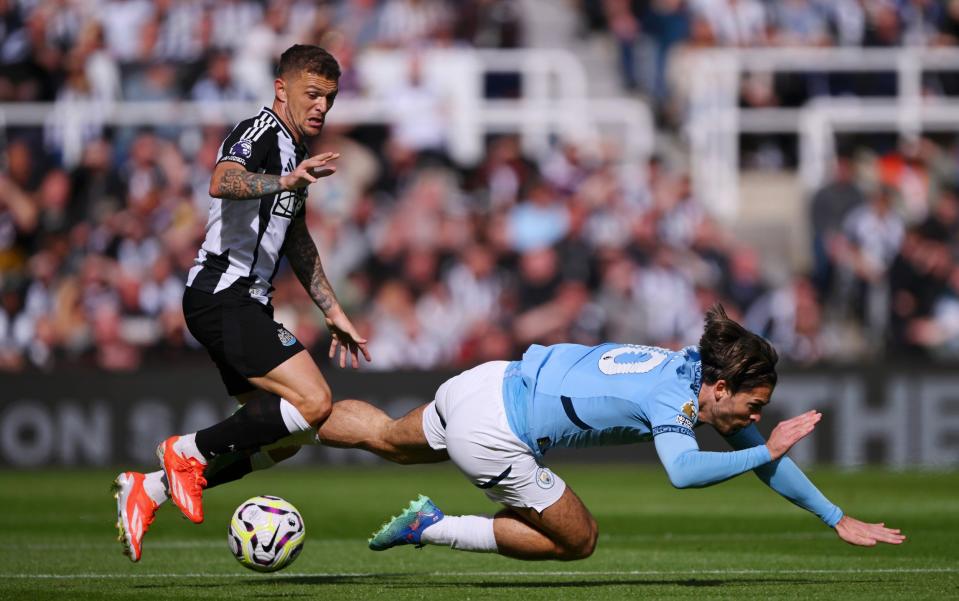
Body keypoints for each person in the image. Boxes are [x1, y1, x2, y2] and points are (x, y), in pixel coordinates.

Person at [316, 304, 905, 559]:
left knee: (390, 438)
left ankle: (288, 418)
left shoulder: (690, 367)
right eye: (754, 406)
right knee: (579, 540)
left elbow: (763, 455)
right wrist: (764, 451)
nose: (758, 420)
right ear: (721, 389)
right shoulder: (672, 397)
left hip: (487, 380)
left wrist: (832, 515)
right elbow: (682, 471)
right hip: (498, 430)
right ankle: (434, 527)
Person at [112, 44, 370, 562]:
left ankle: (151, 489)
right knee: (314, 403)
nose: (322, 106)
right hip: (222, 295)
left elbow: (296, 239)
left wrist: (331, 309)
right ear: (282, 89)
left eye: (330, 98)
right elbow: (221, 180)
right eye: (312, 94)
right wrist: (285, 180)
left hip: (243, 302)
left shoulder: (295, 153)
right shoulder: (259, 131)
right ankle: (184, 450)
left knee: (281, 443)